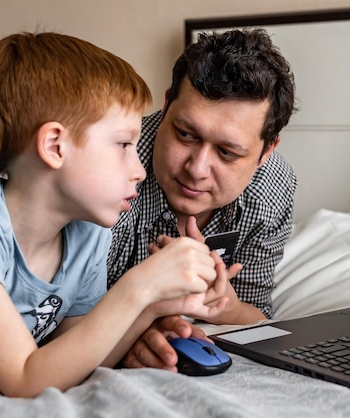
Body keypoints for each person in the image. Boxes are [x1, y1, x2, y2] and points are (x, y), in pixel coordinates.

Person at [0, 31, 237, 398]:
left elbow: (83, 356)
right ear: (55, 146)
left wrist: (153, 304)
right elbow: (22, 379)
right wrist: (137, 285)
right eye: (123, 145)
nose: (139, 169)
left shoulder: (87, 237)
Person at [108, 28, 297, 369]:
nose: (196, 169)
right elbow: (52, 319)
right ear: (166, 105)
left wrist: (227, 306)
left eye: (227, 153)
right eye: (185, 134)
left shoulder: (271, 189)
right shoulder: (109, 171)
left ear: (267, 150)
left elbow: (255, 313)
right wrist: (132, 335)